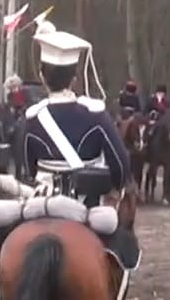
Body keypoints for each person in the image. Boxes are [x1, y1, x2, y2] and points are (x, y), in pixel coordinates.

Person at [19, 20, 130, 206]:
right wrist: (115, 190)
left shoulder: (32, 118)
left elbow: (27, 170)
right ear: (74, 79)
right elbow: (120, 164)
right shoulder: (96, 114)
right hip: (88, 205)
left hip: (42, 204)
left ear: (42, 77)